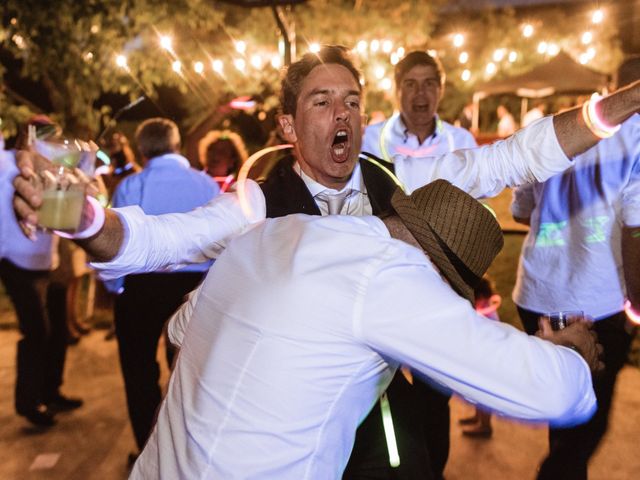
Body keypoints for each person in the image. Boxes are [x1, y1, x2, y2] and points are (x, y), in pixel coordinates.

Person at [11, 44, 640, 476]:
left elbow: (515, 158)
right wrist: (85, 217)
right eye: (321, 101)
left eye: (352, 100)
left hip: (392, 430)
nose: (342, 113)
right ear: (287, 125)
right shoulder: (258, 206)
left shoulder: (402, 183)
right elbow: (153, 241)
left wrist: (621, 105)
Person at [130, 179, 600, 478]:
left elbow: (180, 327)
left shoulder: (281, 229)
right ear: (438, 274)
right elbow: (554, 392)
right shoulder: (392, 276)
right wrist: (573, 355)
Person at [511, 56, 640, 480]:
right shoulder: (637, 134)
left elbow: (521, 211)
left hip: (538, 294)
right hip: (597, 303)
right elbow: (635, 231)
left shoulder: (555, 130)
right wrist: (636, 309)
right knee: (588, 421)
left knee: (564, 412)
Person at [361, 49, 479, 479]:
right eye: (410, 83)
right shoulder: (370, 140)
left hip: (443, 286)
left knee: (435, 395)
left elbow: (471, 216)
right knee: (381, 391)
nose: (420, 93)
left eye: (429, 82)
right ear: (396, 90)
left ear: (442, 89)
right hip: (385, 283)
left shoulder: (461, 144)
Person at [110, 118, 219, 461]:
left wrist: (118, 288)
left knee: (139, 370)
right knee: (192, 372)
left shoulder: (131, 185)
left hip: (142, 284)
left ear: (141, 149)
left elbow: (116, 242)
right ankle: (188, 451)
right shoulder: (205, 184)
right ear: (176, 144)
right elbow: (223, 240)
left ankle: (147, 450)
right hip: (196, 284)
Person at [0, 117, 82, 427]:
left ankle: (51, 392)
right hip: (13, 260)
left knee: (57, 331)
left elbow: (59, 216)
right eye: (44, 136)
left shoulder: (55, 165)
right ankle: (29, 403)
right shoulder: (7, 162)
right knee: (37, 332)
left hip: (47, 260)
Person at [458, 275, 502, 438]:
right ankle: (478, 419)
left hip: (487, 362)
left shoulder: (486, 316)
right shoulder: (484, 308)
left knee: (483, 397)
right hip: (481, 358)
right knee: (477, 395)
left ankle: (485, 426)